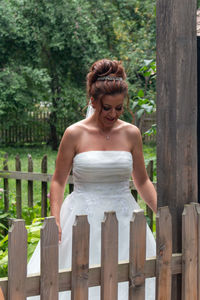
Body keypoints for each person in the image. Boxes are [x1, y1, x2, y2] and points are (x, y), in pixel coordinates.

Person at [28, 59, 157, 299]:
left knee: (131, 279)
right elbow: (57, 181)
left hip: (124, 218)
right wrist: (55, 219)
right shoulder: (74, 133)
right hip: (80, 216)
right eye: (107, 107)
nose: (113, 114)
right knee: (78, 281)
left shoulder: (131, 133)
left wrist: (161, 209)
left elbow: (142, 181)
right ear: (93, 101)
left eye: (119, 108)